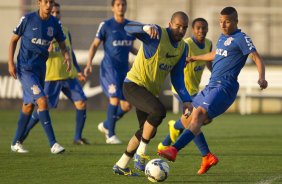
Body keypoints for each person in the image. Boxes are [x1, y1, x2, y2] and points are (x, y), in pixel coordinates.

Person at [158, 7, 268, 171]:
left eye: (227, 21)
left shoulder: (242, 38)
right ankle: (206, 156)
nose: (223, 25)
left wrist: (261, 77)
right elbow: (217, 54)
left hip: (225, 87)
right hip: (211, 85)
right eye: (221, 21)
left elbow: (256, 57)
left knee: (199, 115)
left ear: (236, 21)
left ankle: (173, 149)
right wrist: (194, 58)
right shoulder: (223, 37)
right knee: (189, 118)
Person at [112, 11, 193, 176]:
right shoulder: (155, 34)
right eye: (178, 26)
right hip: (132, 85)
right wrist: (144, 27)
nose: (181, 30)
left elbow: (177, 77)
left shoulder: (183, 47)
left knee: (148, 130)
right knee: (159, 111)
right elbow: (128, 27)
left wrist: (186, 99)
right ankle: (140, 154)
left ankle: (121, 165)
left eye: (184, 27)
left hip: (148, 92)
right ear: (170, 24)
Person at [20, 2, 89, 145]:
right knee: (42, 109)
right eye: (53, 13)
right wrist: (46, 47)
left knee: (81, 102)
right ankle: (22, 135)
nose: (56, 15)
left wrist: (78, 70)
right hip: (51, 77)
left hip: (68, 75)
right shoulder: (42, 30)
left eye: (58, 12)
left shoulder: (64, 30)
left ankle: (77, 137)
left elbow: (70, 51)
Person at [8, 0, 71, 154]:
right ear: (39, 3)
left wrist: (67, 57)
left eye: (50, 2)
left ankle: (16, 142)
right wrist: (11, 63)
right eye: (45, 2)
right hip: (25, 68)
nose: (48, 5)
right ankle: (53, 144)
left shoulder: (55, 23)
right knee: (42, 101)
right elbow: (13, 40)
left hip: (40, 69)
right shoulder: (28, 19)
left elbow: (62, 43)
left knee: (29, 106)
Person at [157, 18, 218, 175]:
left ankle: (170, 133)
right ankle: (206, 154)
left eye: (204, 28)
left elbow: (209, 63)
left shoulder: (209, 43)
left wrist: (215, 74)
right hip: (182, 90)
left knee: (204, 119)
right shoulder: (186, 44)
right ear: (192, 29)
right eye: (198, 28)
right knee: (194, 120)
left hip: (195, 91)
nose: (201, 31)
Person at [84, 0, 138, 144]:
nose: (121, 7)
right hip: (109, 69)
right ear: (113, 7)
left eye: (123, 4)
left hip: (124, 70)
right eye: (118, 4)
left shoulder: (130, 26)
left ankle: (107, 125)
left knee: (127, 106)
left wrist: (142, 55)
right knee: (114, 99)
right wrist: (89, 63)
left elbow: (130, 48)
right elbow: (94, 45)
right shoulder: (106, 25)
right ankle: (111, 135)